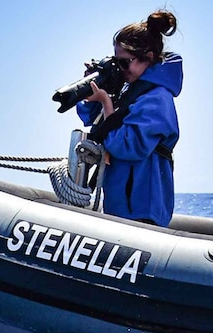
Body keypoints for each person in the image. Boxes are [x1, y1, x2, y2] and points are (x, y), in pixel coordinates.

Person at [76, 10, 182, 227]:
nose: (121, 69)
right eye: (117, 62)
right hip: (121, 206)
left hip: (141, 208)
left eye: (125, 62)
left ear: (148, 58)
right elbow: (93, 120)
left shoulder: (156, 98)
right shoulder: (130, 92)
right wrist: (92, 94)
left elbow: (128, 146)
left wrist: (106, 102)